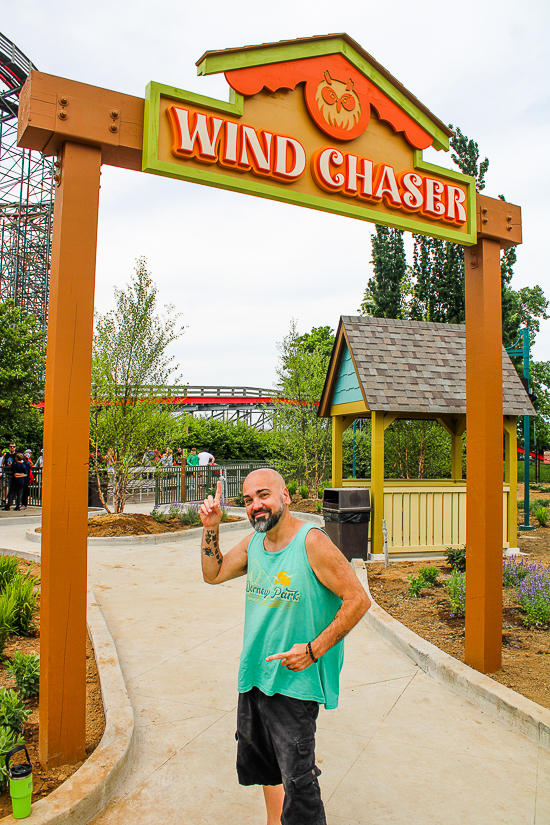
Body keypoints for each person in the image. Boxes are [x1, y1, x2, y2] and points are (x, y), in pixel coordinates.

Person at [199, 469, 370, 825]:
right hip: (255, 675)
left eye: (263, 495)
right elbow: (213, 573)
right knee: (268, 769)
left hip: (294, 684)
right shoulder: (253, 544)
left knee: (299, 782)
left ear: (285, 496)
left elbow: (357, 599)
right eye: (248, 500)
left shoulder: (312, 542)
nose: (256, 506)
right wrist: (210, 527)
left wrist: (312, 650)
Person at [2, 444, 17, 510]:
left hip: (12, 473)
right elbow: (3, 462)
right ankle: (4, 500)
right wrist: (3, 469)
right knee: (5, 486)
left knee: (12, 488)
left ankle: (10, 501)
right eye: (11, 447)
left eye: (13, 447)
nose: (12, 448)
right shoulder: (7, 455)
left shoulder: (16, 455)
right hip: (6, 472)